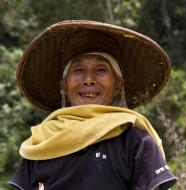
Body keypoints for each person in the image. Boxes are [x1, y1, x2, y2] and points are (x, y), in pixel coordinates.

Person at [9, 20, 177, 190]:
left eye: (101, 70)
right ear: (64, 86)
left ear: (118, 84)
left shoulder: (135, 141)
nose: (89, 80)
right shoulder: (41, 142)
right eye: (78, 70)